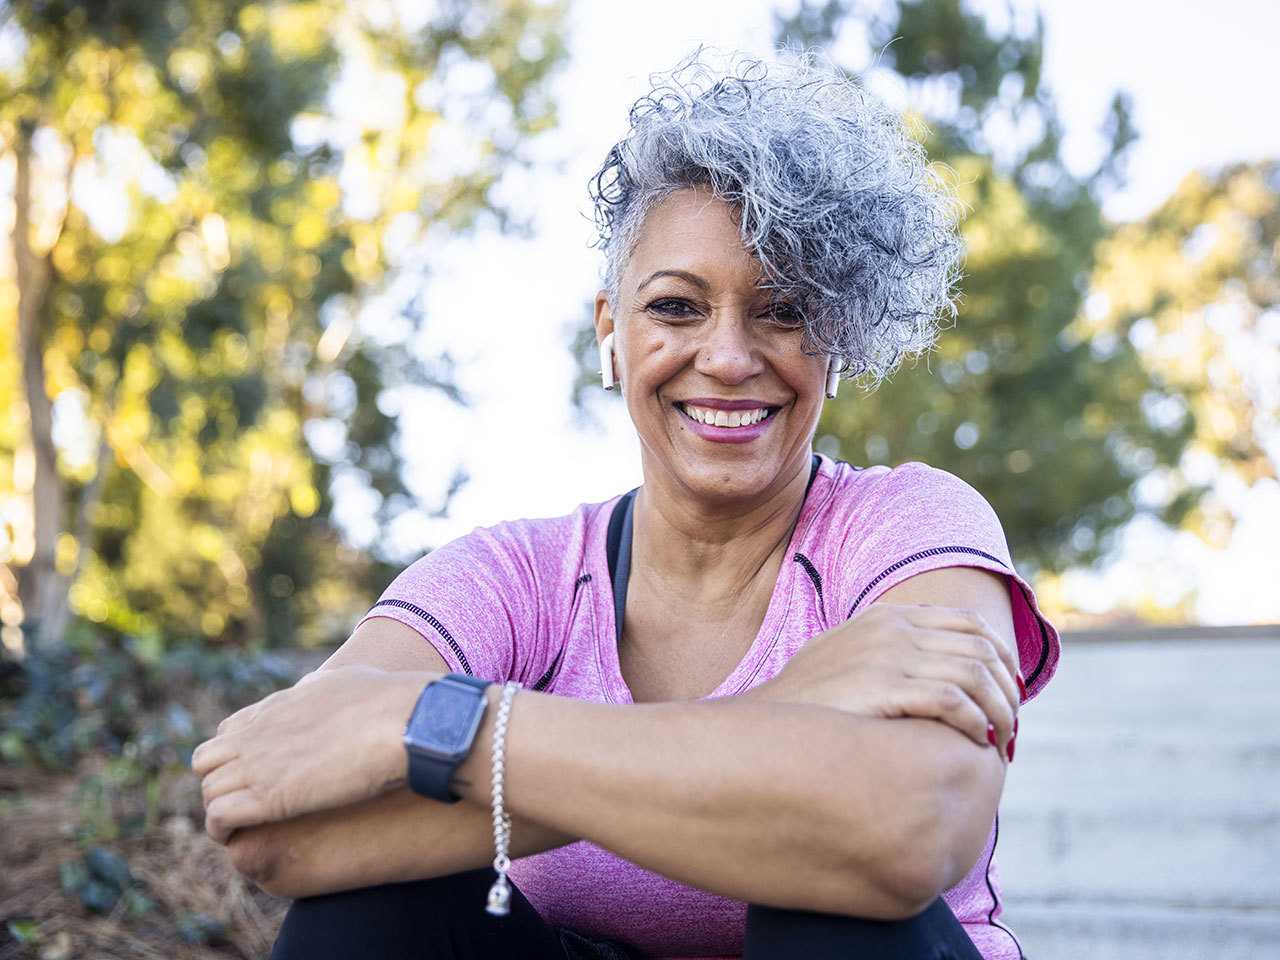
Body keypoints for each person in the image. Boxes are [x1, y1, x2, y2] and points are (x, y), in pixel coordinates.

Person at [191, 46, 1061, 960]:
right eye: (679, 307)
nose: (727, 357)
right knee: (366, 919)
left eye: (784, 312)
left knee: (832, 896)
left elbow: (910, 829)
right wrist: (790, 712)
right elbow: (271, 826)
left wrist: (453, 731)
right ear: (613, 328)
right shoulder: (517, 577)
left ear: (836, 340)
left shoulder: (908, 529)